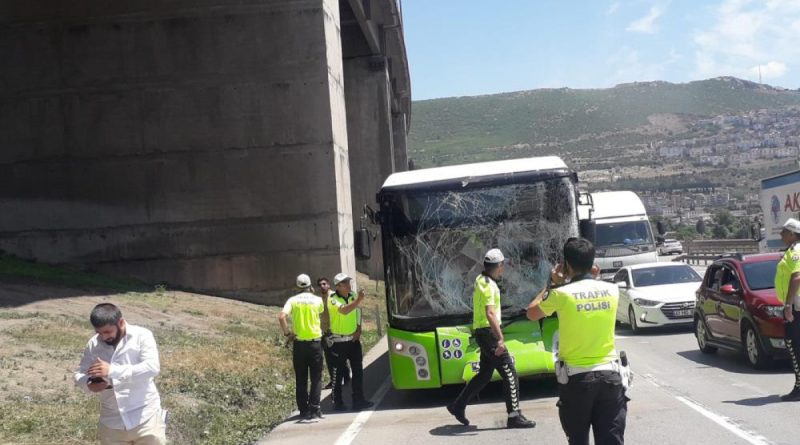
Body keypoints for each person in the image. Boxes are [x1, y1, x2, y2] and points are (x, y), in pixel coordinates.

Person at [527, 238, 627, 445]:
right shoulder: (612, 290)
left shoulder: (560, 294)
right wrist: (593, 279)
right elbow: (590, 288)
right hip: (611, 378)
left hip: (577, 381)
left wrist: (552, 283)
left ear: (565, 265)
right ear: (593, 265)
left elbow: (532, 312)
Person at [446, 248, 536, 429]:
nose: (503, 269)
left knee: (484, 375)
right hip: (488, 333)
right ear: (499, 266)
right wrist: (500, 339)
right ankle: (514, 415)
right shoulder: (488, 285)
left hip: (482, 332)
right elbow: (490, 313)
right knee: (510, 373)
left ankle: (458, 406)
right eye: (503, 265)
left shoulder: (482, 280)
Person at [74, 303, 166, 445]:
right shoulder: (93, 344)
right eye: (99, 333)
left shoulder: (142, 336)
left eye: (108, 332)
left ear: (121, 323)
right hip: (112, 421)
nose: (104, 337)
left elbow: (152, 367)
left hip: (145, 417)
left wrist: (112, 370)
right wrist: (88, 384)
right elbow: (79, 374)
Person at [278, 274, 325, 419]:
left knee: (301, 378)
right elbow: (321, 312)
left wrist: (287, 333)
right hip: (315, 342)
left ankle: (304, 410)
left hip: (299, 344)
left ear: (297, 287)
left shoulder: (292, 300)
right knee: (316, 377)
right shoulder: (317, 300)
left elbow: (281, 316)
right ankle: (315, 407)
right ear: (310, 285)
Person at [328, 272, 374, 411]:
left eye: (349, 282)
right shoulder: (332, 299)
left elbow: (358, 312)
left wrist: (359, 329)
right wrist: (359, 300)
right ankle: (337, 402)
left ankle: (358, 400)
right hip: (339, 342)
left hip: (353, 341)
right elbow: (344, 311)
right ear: (338, 286)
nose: (349, 285)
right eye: (345, 283)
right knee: (339, 373)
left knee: (358, 371)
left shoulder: (353, 296)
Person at [775, 218, 800, 402]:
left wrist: (788, 305)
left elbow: (797, 278)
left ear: (792, 233)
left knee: (793, 346)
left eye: (784, 231)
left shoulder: (796, 251)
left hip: (797, 306)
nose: (781, 234)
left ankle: (799, 388)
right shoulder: (793, 250)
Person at [317, 276, 350, 390]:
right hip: (325, 332)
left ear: (328, 285)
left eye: (324, 283)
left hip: (335, 331)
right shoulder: (319, 299)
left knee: (339, 356)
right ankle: (334, 380)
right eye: (320, 284)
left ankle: (346, 378)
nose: (322, 286)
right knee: (329, 358)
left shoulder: (333, 297)